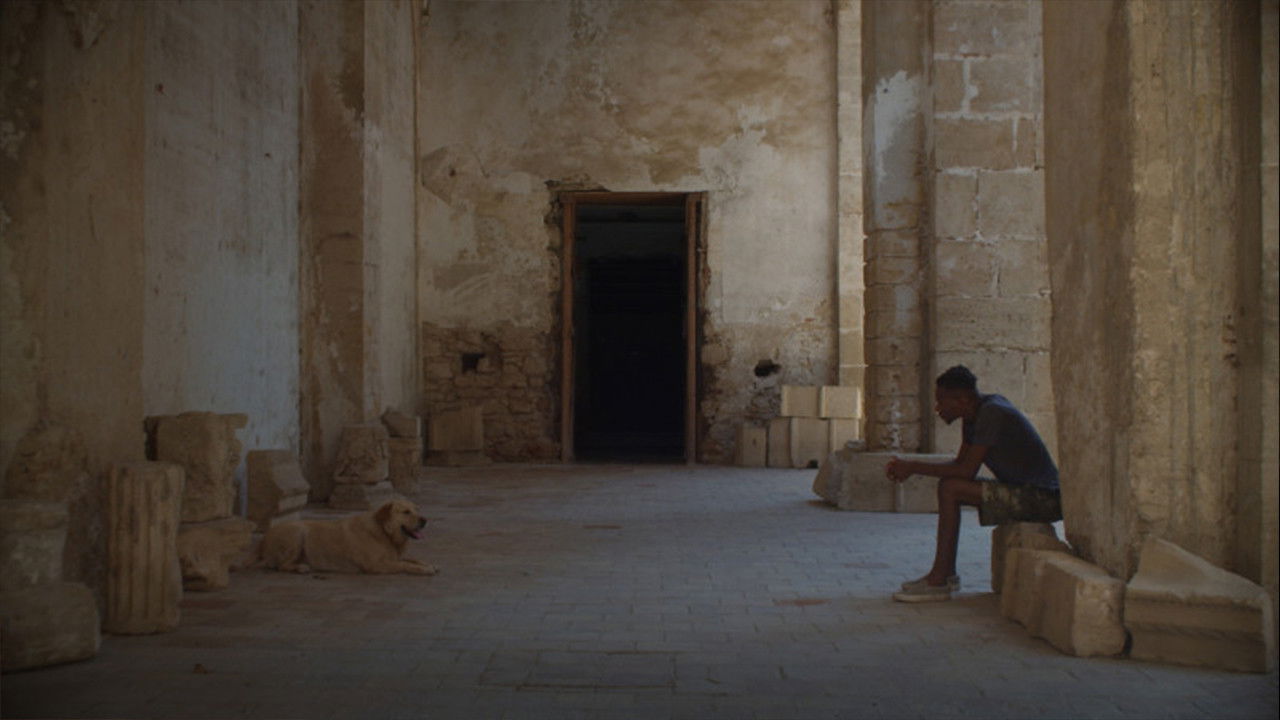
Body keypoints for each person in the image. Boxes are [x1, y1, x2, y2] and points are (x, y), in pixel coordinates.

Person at [885, 365, 1061, 602]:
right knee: (950, 486)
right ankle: (945, 573)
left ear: (962, 399)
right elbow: (960, 464)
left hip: (1042, 498)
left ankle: (941, 578)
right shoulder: (972, 416)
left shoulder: (992, 413)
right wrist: (911, 466)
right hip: (1022, 490)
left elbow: (965, 472)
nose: (937, 408)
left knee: (951, 488)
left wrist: (913, 467)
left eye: (941, 401)